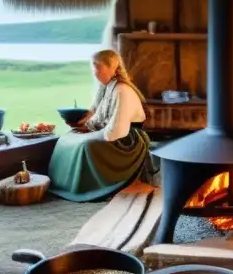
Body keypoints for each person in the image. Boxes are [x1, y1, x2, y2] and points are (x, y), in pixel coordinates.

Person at [48, 49, 154, 202]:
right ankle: (62, 185)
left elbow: (117, 130)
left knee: (86, 145)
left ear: (113, 67)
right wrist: (85, 126)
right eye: (93, 67)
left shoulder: (122, 90)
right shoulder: (106, 87)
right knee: (67, 137)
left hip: (126, 141)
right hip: (110, 132)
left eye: (98, 67)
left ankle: (89, 187)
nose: (94, 72)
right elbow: (97, 114)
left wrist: (89, 134)